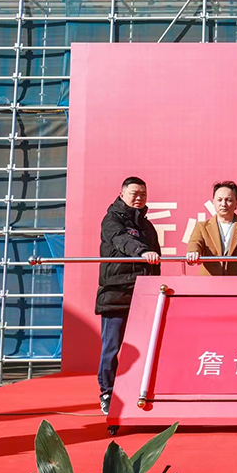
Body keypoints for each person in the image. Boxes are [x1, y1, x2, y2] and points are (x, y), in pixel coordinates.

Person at [95, 177, 161, 415]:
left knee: (145, 347)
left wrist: (156, 288)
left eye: (143, 194)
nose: (139, 198)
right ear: (122, 194)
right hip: (116, 293)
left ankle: (136, 391)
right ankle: (107, 392)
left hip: (142, 295)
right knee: (112, 348)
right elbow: (122, 240)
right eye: (134, 193)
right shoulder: (112, 219)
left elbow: (156, 262)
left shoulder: (147, 226)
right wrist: (141, 251)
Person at [185, 181, 237, 276]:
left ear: (236, 202)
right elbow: (195, 242)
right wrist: (193, 252)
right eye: (219, 200)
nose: (223, 204)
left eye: (228, 200)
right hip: (209, 280)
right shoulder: (202, 227)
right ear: (213, 202)